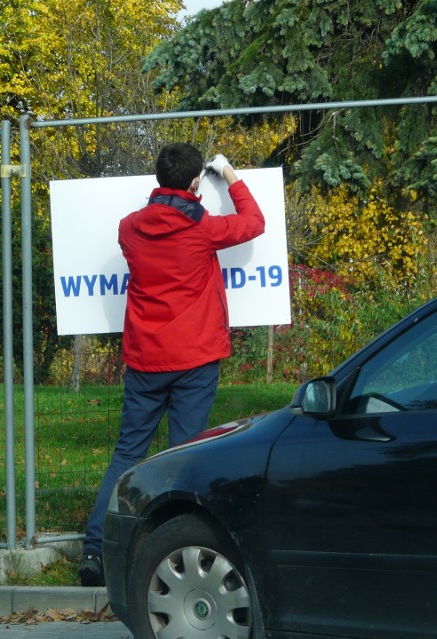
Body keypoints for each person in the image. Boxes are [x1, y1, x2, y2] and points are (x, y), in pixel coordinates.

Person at [78, 143, 266, 587]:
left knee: (127, 454)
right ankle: (175, 548)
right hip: (195, 357)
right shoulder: (201, 229)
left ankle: (93, 550)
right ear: (196, 182)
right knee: (186, 457)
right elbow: (254, 223)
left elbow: (154, 223)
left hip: (146, 358)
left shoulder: (129, 228)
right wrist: (232, 175)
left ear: (159, 178)